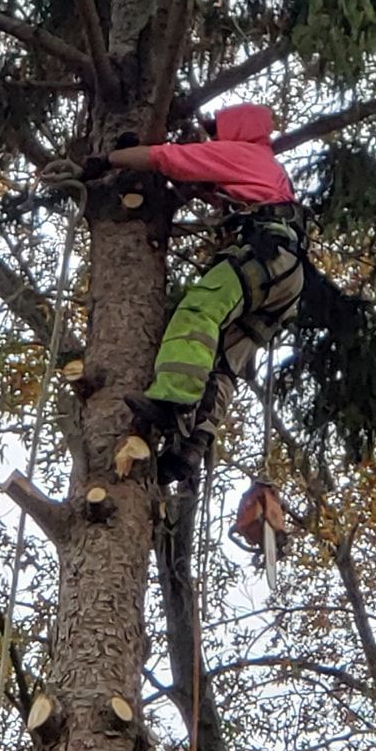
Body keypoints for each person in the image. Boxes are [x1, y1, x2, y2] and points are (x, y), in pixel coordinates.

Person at [90, 104, 307, 480]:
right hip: (287, 276)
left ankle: (174, 398)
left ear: (236, 132)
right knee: (222, 361)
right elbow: (211, 186)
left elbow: (166, 157)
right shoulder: (267, 169)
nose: (213, 139)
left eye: (217, 132)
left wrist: (108, 159)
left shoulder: (240, 153)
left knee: (200, 311)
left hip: (264, 254)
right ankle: (191, 448)